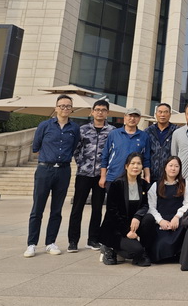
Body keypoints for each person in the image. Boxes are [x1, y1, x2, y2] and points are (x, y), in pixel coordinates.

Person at [24, 95, 81, 258]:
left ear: (71, 109)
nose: (65, 108)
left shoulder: (74, 128)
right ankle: (32, 244)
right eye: (62, 105)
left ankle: (50, 242)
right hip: (45, 170)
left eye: (68, 106)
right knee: (37, 208)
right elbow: (36, 146)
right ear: (56, 108)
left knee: (57, 209)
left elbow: (74, 146)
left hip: (63, 171)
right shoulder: (45, 125)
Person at [67, 99, 114, 253]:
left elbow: (113, 151)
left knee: (97, 208)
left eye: (103, 110)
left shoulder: (112, 131)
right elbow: (76, 149)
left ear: (107, 113)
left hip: (102, 175)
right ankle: (73, 241)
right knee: (77, 207)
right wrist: (82, 163)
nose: (100, 112)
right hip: (84, 174)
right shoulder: (83, 130)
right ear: (92, 112)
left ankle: (93, 239)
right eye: (97, 109)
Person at [99, 152, 152, 266]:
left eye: (139, 163)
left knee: (149, 219)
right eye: (132, 163)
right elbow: (112, 212)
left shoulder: (143, 184)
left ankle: (143, 252)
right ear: (126, 166)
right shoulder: (117, 184)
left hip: (133, 225)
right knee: (134, 251)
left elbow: (145, 205)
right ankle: (109, 247)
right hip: (118, 228)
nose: (135, 166)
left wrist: (137, 217)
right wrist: (126, 232)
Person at [139, 156, 188, 263]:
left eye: (176, 166)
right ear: (165, 167)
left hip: (178, 222)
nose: (173, 168)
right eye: (171, 165)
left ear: (180, 168)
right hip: (161, 222)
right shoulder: (156, 185)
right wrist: (160, 221)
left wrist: (177, 217)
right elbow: (151, 207)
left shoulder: (185, 183)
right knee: (161, 246)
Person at [99, 107, 151, 188]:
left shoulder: (144, 136)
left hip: (134, 179)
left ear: (139, 118)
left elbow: (146, 159)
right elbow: (105, 156)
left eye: (135, 116)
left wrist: (147, 175)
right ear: (125, 117)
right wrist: (103, 176)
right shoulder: (114, 134)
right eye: (130, 116)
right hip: (113, 177)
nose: (132, 118)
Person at [146, 103, 178, 184]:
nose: (162, 115)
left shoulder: (176, 131)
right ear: (156, 114)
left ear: (170, 114)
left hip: (170, 176)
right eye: (160, 112)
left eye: (165, 112)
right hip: (151, 175)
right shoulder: (148, 131)